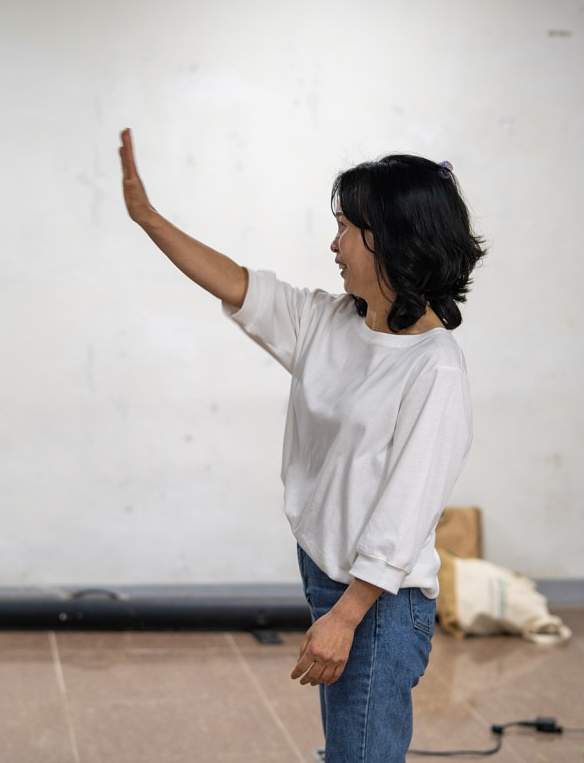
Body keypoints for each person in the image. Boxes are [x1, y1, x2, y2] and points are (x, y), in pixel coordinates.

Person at [119, 128, 484, 761]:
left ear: (390, 238)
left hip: (376, 601)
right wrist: (148, 218)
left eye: (345, 228)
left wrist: (345, 617)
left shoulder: (435, 368)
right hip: (326, 575)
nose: (334, 244)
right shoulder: (328, 321)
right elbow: (235, 283)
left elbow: (406, 513)